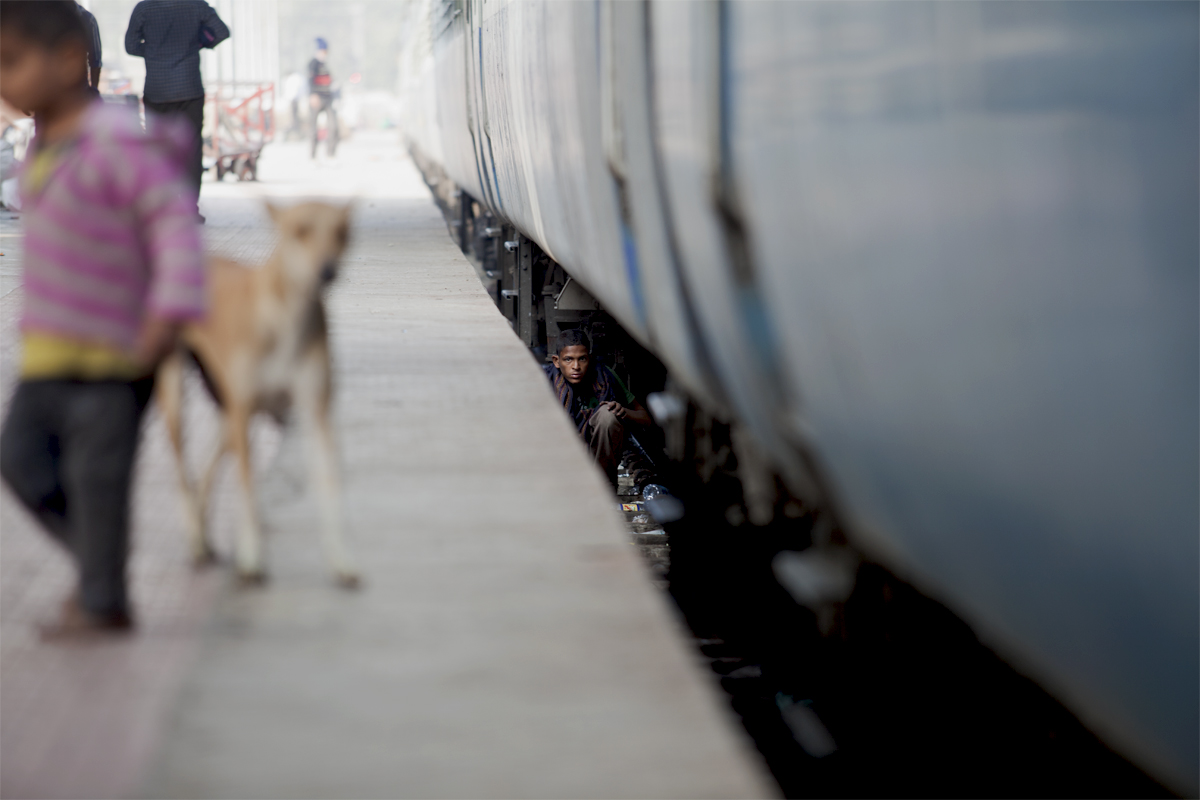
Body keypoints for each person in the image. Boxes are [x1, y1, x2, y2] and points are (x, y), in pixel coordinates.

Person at [0, 0, 207, 638]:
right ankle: (100, 569)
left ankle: (102, 598)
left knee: (98, 478)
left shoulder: (118, 140)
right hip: (50, 355)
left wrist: (167, 317)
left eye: (10, 63)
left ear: (67, 61)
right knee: (22, 461)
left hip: (119, 353)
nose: (2, 81)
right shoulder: (42, 149)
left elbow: (174, 231)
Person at [124, 0, 229, 216]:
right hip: (189, 89)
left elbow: (131, 46)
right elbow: (221, 31)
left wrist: (154, 50)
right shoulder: (196, 5)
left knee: (156, 150)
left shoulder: (144, 8)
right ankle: (189, 207)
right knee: (191, 149)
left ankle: (160, 207)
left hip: (157, 91)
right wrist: (200, 42)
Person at [543, 329, 651, 484]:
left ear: (590, 358)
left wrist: (623, 411)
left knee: (608, 414)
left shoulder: (605, 377)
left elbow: (645, 419)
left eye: (582, 359)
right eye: (568, 359)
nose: (576, 366)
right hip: (557, 459)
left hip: (597, 460)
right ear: (556, 361)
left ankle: (602, 488)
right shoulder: (545, 381)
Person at [308, 37, 337, 159]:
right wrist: (313, 95)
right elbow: (310, 80)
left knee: (333, 127)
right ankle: (313, 156)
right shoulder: (313, 64)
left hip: (328, 99)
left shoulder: (325, 65)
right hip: (317, 98)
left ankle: (330, 154)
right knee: (314, 129)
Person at [74, 2, 102, 94]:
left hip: (78, 90)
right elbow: (96, 60)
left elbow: (95, 60)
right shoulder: (88, 19)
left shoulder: (87, 19)